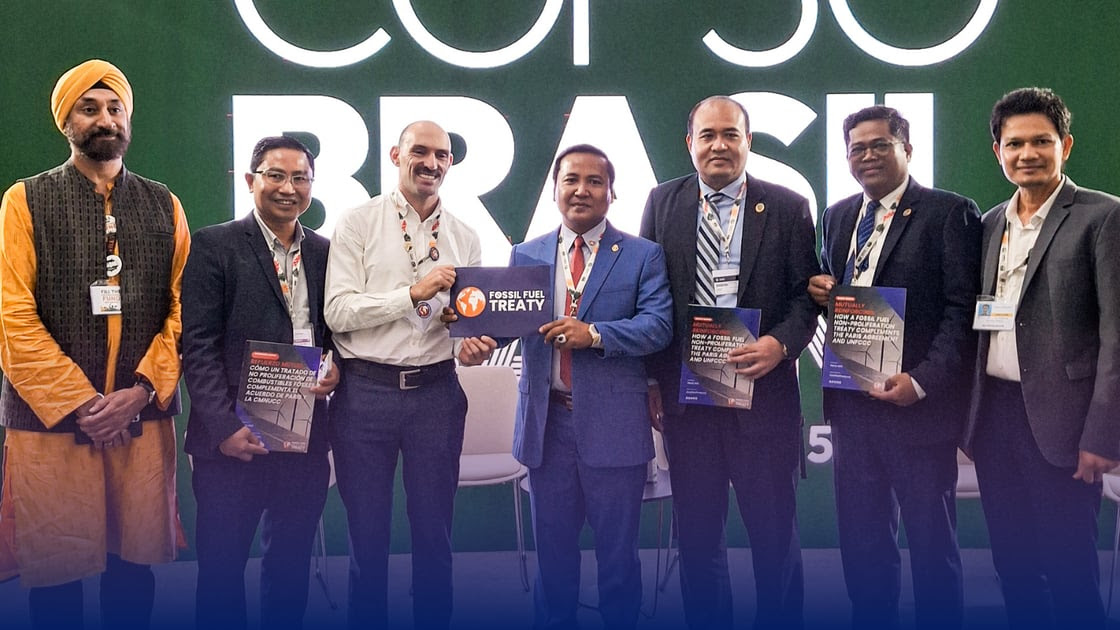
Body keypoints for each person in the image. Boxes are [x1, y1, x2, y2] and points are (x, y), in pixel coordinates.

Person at [0, 59, 189, 628]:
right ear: (66, 122)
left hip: (139, 416)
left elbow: (183, 311)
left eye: (114, 108)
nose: (105, 119)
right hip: (52, 419)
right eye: (89, 108)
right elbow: (12, 316)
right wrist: (83, 404)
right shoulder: (24, 200)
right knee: (56, 570)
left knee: (132, 566)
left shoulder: (163, 203)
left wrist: (140, 392)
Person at [456, 145, 672, 629]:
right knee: (553, 561)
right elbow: (509, 322)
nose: (581, 190)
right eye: (571, 180)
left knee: (618, 560)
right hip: (546, 426)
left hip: (615, 429)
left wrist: (594, 334)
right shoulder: (527, 254)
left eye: (595, 181)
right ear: (555, 189)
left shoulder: (643, 255)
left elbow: (658, 327)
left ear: (612, 193)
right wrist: (477, 343)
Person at [639, 95, 818, 629]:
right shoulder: (662, 202)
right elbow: (649, 297)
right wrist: (651, 380)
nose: (719, 145)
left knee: (774, 536)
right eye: (708, 135)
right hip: (688, 401)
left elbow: (805, 297)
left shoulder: (787, 206)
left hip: (765, 397)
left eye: (730, 134)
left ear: (748, 142)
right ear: (689, 143)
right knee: (697, 539)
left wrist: (780, 345)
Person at [808, 106, 982, 629]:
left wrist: (922, 382)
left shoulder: (949, 213)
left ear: (907, 149)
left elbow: (962, 311)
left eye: (880, 145)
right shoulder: (838, 216)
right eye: (857, 148)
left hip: (917, 409)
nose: (867, 156)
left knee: (932, 542)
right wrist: (823, 291)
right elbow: (846, 297)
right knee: (862, 542)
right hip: (852, 404)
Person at [963, 87, 1120, 629]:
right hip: (995, 420)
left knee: (1071, 572)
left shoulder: (1104, 217)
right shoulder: (989, 224)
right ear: (998, 152)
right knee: (1014, 568)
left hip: (1065, 426)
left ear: (1065, 146)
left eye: (1041, 141)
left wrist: (1103, 435)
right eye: (1014, 144)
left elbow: (1117, 337)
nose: (1027, 153)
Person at [324, 120, 480, 629]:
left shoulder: (464, 236)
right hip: (365, 394)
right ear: (396, 155)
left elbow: (467, 322)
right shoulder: (358, 223)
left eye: (441, 155)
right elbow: (338, 313)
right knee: (367, 538)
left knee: (435, 535)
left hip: (436, 395)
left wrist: (472, 340)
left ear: (450, 164)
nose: (431, 163)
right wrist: (412, 294)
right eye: (420, 151)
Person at [182, 135, 340, 629]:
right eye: (276, 175)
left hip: (302, 434)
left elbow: (335, 333)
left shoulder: (325, 252)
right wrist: (224, 428)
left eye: (300, 178)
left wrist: (335, 366)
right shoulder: (215, 245)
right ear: (251, 180)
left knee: (290, 568)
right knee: (222, 571)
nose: (288, 188)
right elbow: (197, 345)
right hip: (232, 440)